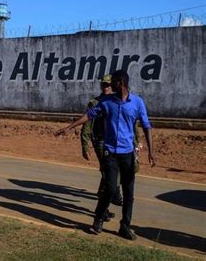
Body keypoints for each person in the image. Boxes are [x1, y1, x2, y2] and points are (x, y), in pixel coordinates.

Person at [56, 70, 155, 241]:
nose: (108, 86)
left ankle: (125, 226)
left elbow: (146, 126)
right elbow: (89, 115)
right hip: (110, 153)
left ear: (121, 83)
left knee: (129, 193)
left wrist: (152, 152)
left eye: (113, 83)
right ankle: (98, 218)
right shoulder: (106, 102)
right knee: (109, 189)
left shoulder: (137, 103)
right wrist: (69, 127)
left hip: (128, 154)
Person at [80, 74, 122, 222]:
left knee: (113, 174)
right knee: (107, 173)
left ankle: (104, 205)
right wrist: (85, 146)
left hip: (116, 143)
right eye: (104, 85)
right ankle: (102, 209)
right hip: (101, 142)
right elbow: (87, 125)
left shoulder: (118, 102)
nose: (106, 88)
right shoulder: (95, 102)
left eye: (109, 85)